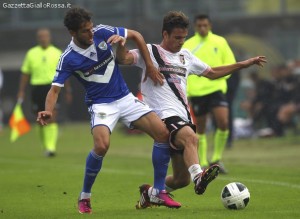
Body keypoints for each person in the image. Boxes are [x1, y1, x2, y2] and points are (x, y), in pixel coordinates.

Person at [36, 7, 189, 214]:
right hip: (101, 104)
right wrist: (48, 110)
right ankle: (85, 196)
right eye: (85, 31)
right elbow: (54, 91)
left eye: (91, 29)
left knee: (162, 133)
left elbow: (136, 35)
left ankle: (158, 191)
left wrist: (151, 66)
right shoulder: (68, 58)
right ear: (73, 33)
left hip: (125, 98)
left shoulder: (102, 31)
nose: (91, 34)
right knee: (101, 146)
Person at [116, 11, 266, 208]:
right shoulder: (149, 52)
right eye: (177, 38)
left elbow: (212, 73)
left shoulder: (186, 56)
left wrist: (243, 64)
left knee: (180, 180)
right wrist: (120, 46)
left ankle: (150, 193)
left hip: (182, 116)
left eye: (184, 38)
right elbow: (124, 59)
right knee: (191, 138)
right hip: (161, 116)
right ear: (165, 34)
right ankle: (199, 177)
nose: (181, 42)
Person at [183, 14, 236, 174]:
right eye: (199, 26)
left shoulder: (220, 42)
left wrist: (218, 77)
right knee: (201, 129)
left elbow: (230, 63)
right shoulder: (188, 45)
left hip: (216, 88)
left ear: (210, 26)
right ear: (195, 27)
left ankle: (217, 159)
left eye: (205, 25)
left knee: (223, 122)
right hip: (197, 92)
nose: (202, 28)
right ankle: (204, 163)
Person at [17, 28, 72, 157]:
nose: (43, 38)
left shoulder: (57, 52)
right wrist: (21, 91)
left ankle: (51, 148)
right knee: (40, 119)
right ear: (38, 38)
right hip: (36, 87)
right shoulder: (31, 53)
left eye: (45, 36)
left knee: (52, 116)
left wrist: (68, 90)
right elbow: (25, 73)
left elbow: (65, 72)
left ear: (49, 37)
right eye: (41, 36)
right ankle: (45, 145)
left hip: (52, 87)